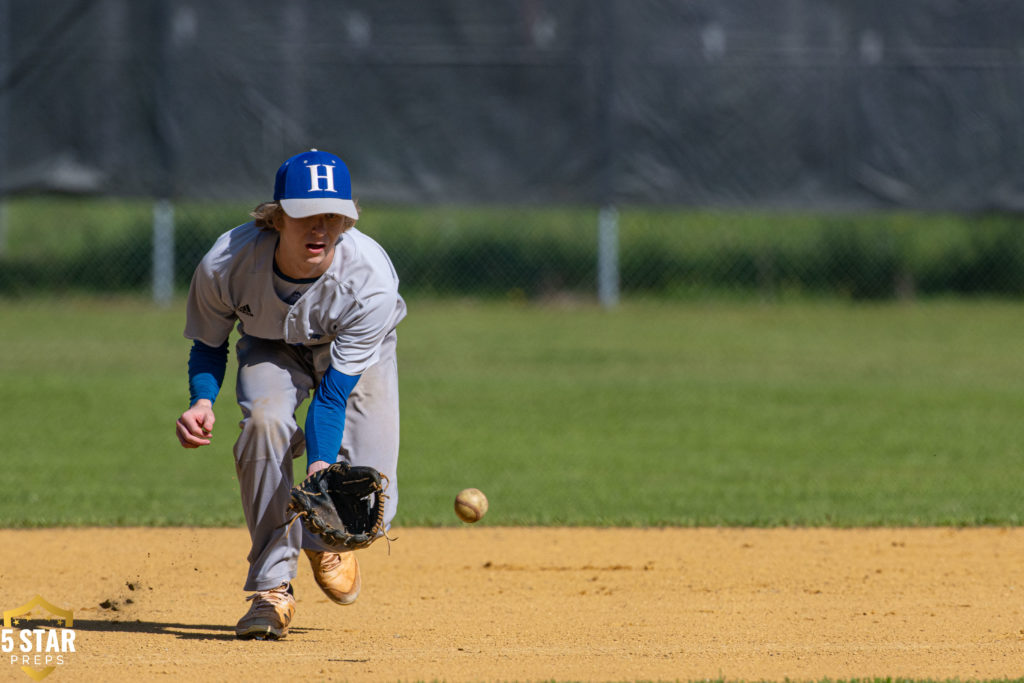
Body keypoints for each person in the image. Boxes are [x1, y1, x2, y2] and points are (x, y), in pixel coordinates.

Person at [174, 149, 405, 640]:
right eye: (305, 215)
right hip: (269, 346)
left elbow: (333, 395)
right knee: (264, 422)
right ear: (277, 217)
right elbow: (209, 344)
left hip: (355, 357)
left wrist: (320, 465)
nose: (320, 227)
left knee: (366, 501)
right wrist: (201, 401)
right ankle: (272, 588)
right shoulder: (226, 263)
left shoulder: (371, 280)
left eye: (333, 216)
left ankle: (323, 542)